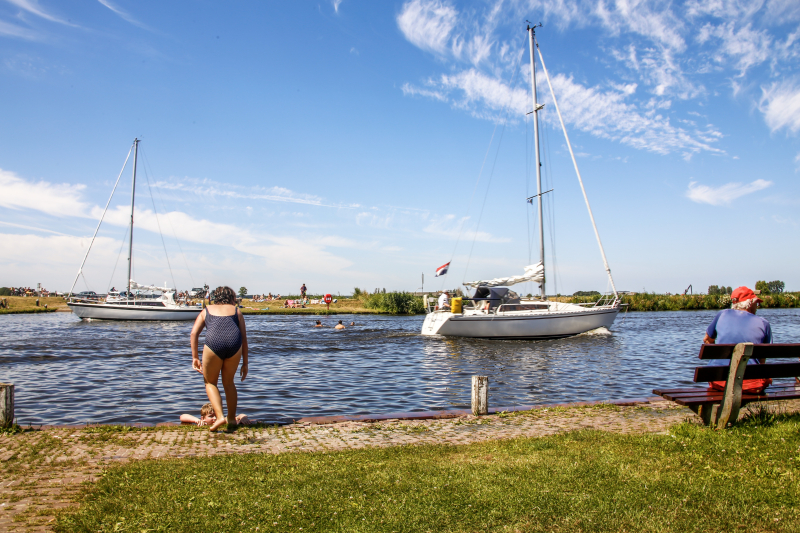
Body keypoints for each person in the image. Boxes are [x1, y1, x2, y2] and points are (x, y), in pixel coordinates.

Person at [190, 286, 249, 431]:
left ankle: (220, 416)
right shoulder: (237, 311)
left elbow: (193, 334)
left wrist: (195, 357)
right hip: (234, 345)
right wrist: (245, 363)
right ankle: (231, 419)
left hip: (213, 344)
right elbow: (244, 338)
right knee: (229, 383)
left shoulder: (207, 310)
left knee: (210, 382)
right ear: (232, 297)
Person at [703, 286, 772, 393]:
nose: (757, 307)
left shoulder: (722, 314)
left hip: (719, 381)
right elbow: (762, 360)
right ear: (750, 303)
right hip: (750, 385)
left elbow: (707, 340)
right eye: (756, 303)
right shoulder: (764, 323)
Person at [181, 402, 249, 426]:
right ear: (203, 418)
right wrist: (196, 420)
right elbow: (182, 416)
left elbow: (239, 416)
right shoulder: (202, 423)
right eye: (211, 416)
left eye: (216, 416)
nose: (215, 418)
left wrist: (244, 418)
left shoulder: (222, 421)